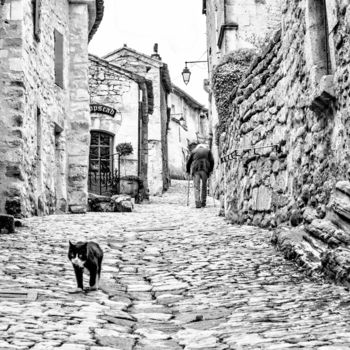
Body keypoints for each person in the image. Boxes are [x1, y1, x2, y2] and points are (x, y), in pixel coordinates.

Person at [186, 142, 214, 208]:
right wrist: (210, 170)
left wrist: (188, 171)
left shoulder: (194, 151)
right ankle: (203, 202)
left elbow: (189, 162)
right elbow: (212, 161)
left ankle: (197, 202)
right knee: (204, 186)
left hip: (196, 170)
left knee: (196, 187)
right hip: (205, 170)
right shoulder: (208, 151)